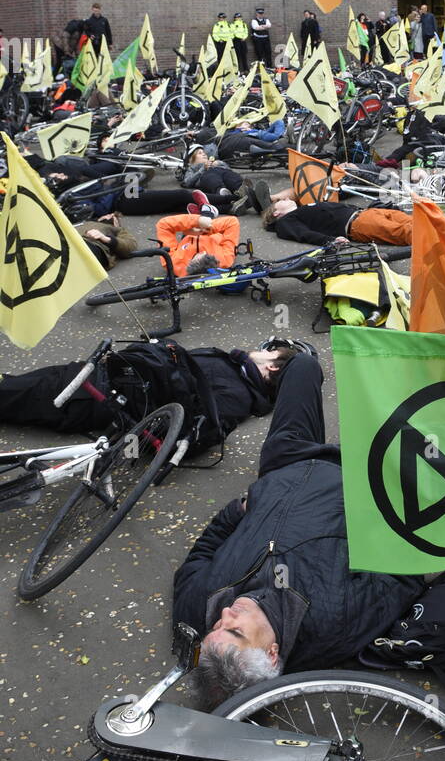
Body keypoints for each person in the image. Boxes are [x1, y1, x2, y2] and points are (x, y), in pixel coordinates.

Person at [173, 351, 423, 703]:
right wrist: (377, 511)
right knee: (403, 388)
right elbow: (405, 577)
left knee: (302, 365)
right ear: (272, 653)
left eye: (215, 628)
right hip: (361, 473)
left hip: (286, 461)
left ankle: (259, 365)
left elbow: (199, 557)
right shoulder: (334, 624)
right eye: (235, 630)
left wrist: (236, 511)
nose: (224, 614)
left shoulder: (198, 607)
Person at [0, 338, 299, 441]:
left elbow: (193, 430)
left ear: (272, 366)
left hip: (95, 395)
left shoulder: (238, 397)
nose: (260, 349)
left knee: (11, 394)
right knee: (14, 387)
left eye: (269, 351)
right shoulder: (233, 368)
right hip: (98, 376)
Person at [261, 190, 412, 247]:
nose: (286, 198)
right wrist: (330, 240)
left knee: (414, 222)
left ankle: (435, 231)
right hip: (358, 224)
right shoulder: (285, 222)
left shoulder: (301, 210)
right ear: (275, 213)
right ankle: (434, 244)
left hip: (367, 213)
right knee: (405, 232)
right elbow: (304, 234)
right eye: (281, 201)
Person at [155, 195, 240, 277]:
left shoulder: (172, 264)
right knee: (206, 220)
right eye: (207, 254)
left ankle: (202, 213)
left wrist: (195, 222)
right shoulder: (225, 260)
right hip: (213, 233)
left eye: (197, 255)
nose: (203, 251)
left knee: (190, 222)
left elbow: (163, 225)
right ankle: (207, 212)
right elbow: (232, 222)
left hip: (187, 237)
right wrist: (203, 228)